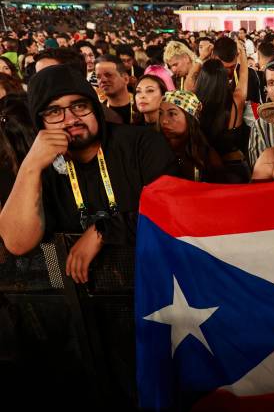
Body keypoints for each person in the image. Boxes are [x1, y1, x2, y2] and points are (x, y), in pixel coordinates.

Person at [0, 65, 177, 282]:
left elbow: (173, 210)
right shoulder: (40, 166)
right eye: (54, 112)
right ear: (41, 122)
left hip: (151, 285)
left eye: (79, 106)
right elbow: (18, 244)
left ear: (95, 107)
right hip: (78, 292)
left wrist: (102, 231)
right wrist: (30, 167)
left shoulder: (142, 143)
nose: (70, 119)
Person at [194, 57, 250, 183]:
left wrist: (201, 58)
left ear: (201, 79)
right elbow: (243, 75)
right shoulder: (236, 100)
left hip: (207, 168)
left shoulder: (194, 103)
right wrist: (242, 55)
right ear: (225, 78)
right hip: (235, 166)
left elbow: (189, 81)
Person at [157, 90, 225, 183]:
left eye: (172, 114)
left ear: (190, 118)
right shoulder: (153, 148)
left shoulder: (208, 157)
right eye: (160, 113)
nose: (164, 121)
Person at [96, 55, 135, 124]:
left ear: (125, 79)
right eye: (98, 77)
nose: (102, 80)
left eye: (108, 75)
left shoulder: (141, 107)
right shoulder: (98, 112)